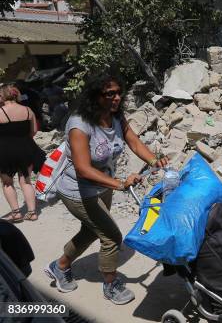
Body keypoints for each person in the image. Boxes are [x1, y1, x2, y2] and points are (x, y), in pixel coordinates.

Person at [43, 72, 168, 305]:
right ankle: (111, 285)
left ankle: (59, 266)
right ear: (95, 96)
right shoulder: (80, 124)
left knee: (92, 230)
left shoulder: (116, 117)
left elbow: (134, 141)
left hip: (103, 185)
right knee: (111, 236)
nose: (117, 98)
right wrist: (120, 183)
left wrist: (154, 160)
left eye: (119, 92)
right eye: (110, 94)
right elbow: (83, 169)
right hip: (77, 190)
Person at [0, 84, 45, 222]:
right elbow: (34, 131)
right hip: (26, 148)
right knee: (26, 181)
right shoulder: (28, 110)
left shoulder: (0, 111)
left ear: (3, 95)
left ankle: (16, 213)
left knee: (7, 183)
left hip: (4, 150)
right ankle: (32, 212)